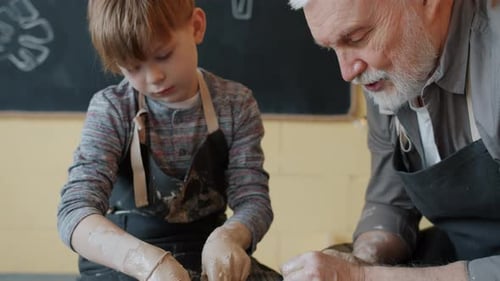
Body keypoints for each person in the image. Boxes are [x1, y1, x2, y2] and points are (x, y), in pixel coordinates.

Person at [56, 1, 282, 280]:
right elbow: (74, 212)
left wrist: (230, 237)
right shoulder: (112, 108)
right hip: (125, 255)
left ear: (196, 27)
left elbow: (254, 201)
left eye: (163, 55)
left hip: (205, 246)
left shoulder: (234, 104)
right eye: (133, 67)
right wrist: (145, 263)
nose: (154, 77)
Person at [281, 0, 500, 280]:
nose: (347, 72)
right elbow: (391, 203)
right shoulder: (391, 74)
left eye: (357, 38)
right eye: (331, 48)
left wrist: (363, 277)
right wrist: (359, 260)